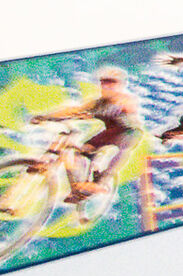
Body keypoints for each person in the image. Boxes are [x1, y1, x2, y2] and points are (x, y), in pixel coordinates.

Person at [30, 67, 144, 203]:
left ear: (120, 86)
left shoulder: (125, 99)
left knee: (124, 145)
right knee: (81, 150)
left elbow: (129, 106)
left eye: (112, 83)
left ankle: (102, 183)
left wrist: (115, 105)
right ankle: (80, 186)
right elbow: (73, 110)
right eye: (104, 83)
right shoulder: (98, 103)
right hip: (109, 133)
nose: (107, 86)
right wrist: (47, 117)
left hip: (129, 132)